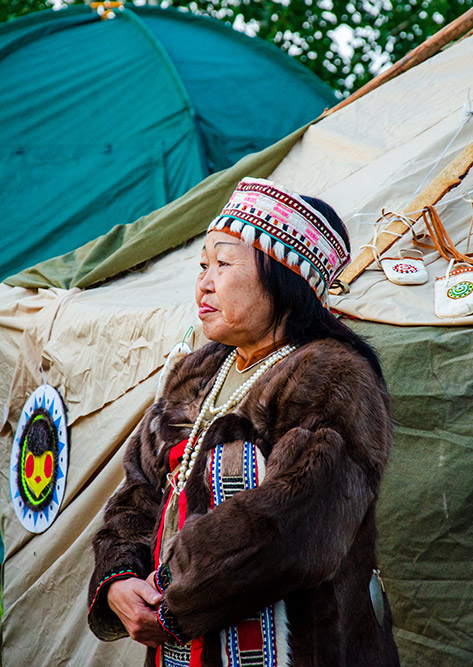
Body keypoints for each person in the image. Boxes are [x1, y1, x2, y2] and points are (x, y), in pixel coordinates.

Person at [88, 177, 400, 666]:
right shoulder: (197, 373)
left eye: (224, 264)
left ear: (283, 277)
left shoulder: (331, 378)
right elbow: (139, 490)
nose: (204, 282)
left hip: (305, 648)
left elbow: (291, 527)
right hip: (181, 651)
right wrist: (121, 579)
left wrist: (170, 598)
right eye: (202, 265)